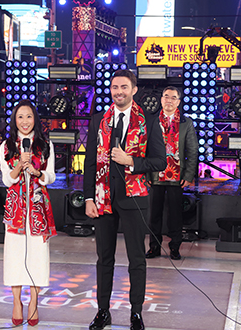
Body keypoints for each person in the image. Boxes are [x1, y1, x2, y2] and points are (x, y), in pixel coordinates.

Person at [84, 69, 166, 330]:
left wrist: (131, 161)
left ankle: (136, 313)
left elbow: (160, 161)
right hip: (103, 199)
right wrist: (88, 198)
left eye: (123, 87)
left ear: (134, 89)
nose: (118, 92)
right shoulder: (98, 120)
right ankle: (103, 311)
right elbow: (88, 163)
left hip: (134, 198)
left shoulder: (149, 121)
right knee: (103, 259)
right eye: (114, 87)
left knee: (136, 259)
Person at [0, 100, 56, 326]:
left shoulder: (45, 145)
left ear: (35, 119)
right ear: (14, 120)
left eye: (29, 116)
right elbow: (6, 179)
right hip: (15, 209)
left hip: (38, 207)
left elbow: (50, 176)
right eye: (20, 117)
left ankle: (34, 301)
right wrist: (19, 166)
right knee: (14, 256)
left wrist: (36, 171)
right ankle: (16, 301)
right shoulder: (6, 146)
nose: (25, 121)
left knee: (37, 256)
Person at [145, 86, 197, 260]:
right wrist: (145, 174)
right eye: (166, 96)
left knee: (175, 215)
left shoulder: (186, 122)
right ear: (161, 99)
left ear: (178, 101)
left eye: (173, 97)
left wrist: (188, 175)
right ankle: (154, 247)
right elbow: (143, 149)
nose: (169, 100)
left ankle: (175, 247)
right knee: (154, 215)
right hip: (155, 175)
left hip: (177, 176)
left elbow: (192, 150)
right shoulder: (150, 121)